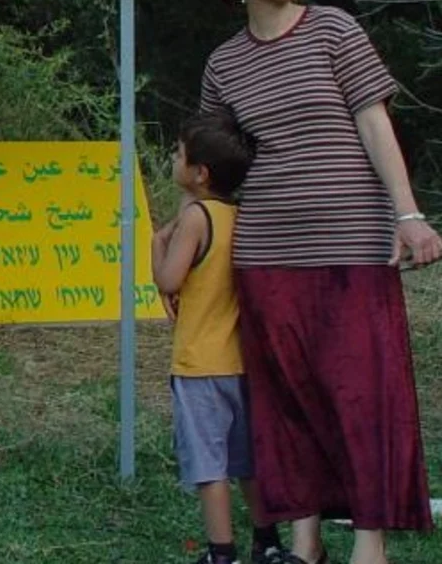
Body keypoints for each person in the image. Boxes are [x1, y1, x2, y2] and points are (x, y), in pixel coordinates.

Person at [199, 0, 442, 564]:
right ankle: (305, 541)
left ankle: (370, 542)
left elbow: (374, 124)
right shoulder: (224, 64)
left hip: (352, 246)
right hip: (267, 253)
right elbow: (214, 169)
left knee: (363, 394)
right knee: (286, 398)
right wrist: (193, 250)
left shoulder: (334, 29)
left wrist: (408, 213)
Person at [153, 111, 283, 564]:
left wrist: (155, 245)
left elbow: (170, 282)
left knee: (209, 465)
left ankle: (220, 552)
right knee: (246, 460)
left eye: (178, 154)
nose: (173, 159)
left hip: (199, 363)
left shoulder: (195, 218)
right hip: (240, 360)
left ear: (199, 173)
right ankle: (267, 541)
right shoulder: (237, 212)